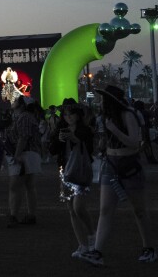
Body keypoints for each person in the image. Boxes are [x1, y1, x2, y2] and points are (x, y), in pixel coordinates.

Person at [80, 86, 155, 267]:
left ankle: (149, 248)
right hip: (111, 165)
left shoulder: (128, 115)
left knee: (139, 210)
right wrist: (103, 144)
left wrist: (114, 130)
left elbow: (134, 143)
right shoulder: (107, 118)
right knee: (105, 210)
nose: (101, 102)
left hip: (129, 166)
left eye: (104, 99)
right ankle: (97, 252)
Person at [57, 104, 96, 259]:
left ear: (78, 115)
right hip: (65, 170)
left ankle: (92, 235)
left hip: (79, 170)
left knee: (78, 207)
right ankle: (83, 245)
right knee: (71, 209)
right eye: (65, 115)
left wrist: (75, 140)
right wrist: (60, 140)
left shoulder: (85, 130)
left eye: (71, 114)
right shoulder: (61, 129)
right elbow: (53, 150)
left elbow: (90, 149)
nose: (68, 117)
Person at [4, 96, 42, 227]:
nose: (12, 102)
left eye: (15, 101)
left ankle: (13, 215)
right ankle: (31, 215)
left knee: (15, 186)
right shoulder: (28, 116)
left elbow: (23, 137)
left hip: (25, 154)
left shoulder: (24, 116)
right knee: (29, 186)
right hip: (31, 154)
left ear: (21, 106)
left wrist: (16, 155)